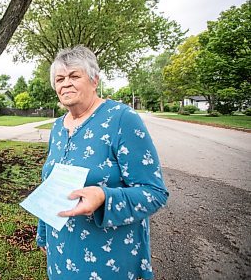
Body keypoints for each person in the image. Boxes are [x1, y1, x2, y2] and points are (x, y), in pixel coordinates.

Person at [36, 45, 169, 280]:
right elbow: (51, 185)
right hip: (60, 251)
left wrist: (104, 197)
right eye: (59, 79)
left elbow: (154, 193)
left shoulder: (121, 118)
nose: (65, 83)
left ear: (94, 80)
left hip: (108, 258)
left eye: (74, 76)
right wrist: (44, 235)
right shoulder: (57, 127)